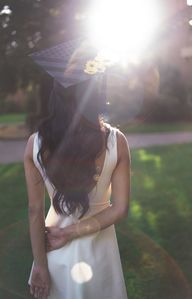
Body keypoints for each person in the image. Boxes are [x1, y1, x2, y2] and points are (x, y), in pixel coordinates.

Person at [24, 40, 131, 299]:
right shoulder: (117, 142)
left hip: (53, 252)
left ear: (56, 91)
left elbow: (35, 210)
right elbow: (119, 208)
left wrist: (39, 265)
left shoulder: (36, 144)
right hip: (100, 250)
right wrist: (70, 233)